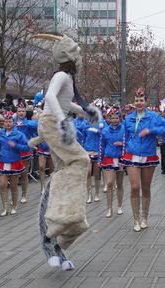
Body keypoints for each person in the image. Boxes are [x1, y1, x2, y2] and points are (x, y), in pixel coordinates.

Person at [30, 34, 101, 270]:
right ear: (71, 56)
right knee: (81, 160)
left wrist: (85, 111)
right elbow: (50, 96)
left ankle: (56, 238)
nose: (81, 59)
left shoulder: (68, 79)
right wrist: (62, 122)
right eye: (78, 55)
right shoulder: (61, 75)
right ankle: (62, 213)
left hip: (53, 121)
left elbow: (64, 102)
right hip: (50, 123)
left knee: (68, 167)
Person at [121, 88, 165, 231]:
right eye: (137, 100)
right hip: (132, 154)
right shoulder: (128, 118)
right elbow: (125, 136)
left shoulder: (154, 117)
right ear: (133, 102)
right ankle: (135, 219)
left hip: (148, 154)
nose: (139, 103)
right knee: (135, 186)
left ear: (146, 101)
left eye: (141, 100)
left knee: (146, 187)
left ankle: (144, 217)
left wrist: (151, 131)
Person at [0, 112, 28, 217]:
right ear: (3, 123)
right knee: (3, 185)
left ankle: (14, 206)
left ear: (13, 123)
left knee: (13, 186)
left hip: (14, 161)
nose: (8, 124)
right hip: (2, 161)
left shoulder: (19, 134)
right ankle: (5, 207)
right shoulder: (0, 134)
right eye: (6, 122)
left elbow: (27, 148)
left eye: (10, 122)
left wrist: (15, 145)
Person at [100, 108, 125, 217]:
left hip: (120, 158)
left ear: (120, 118)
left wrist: (123, 144)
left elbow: (129, 142)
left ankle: (119, 206)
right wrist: (99, 160)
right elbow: (101, 146)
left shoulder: (124, 129)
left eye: (117, 118)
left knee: (119, 184)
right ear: (109, 119)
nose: (114, 120)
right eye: (112, 118)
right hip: (108, 158)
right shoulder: (105, 130)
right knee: (110, 183)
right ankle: (109, 208)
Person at [13, 105, 38, 204]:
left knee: (24, 173)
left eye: (23, 111)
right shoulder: (12, 122)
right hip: (13, 151)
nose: (21, 113)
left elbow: (37, 125)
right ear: (17, 112)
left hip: (24, 150)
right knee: (13, 175)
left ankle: (24, 195)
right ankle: (14, 196)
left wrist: (25, 124)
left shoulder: (29, 122)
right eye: (19, 111)